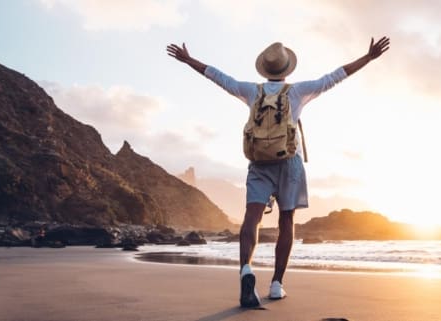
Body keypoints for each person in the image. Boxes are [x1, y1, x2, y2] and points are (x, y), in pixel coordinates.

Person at [166, 36, 390, 308]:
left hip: (259, 163)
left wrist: (189, 60)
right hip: (289, 162)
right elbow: (335, 77)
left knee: (252, 217)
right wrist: (368, 58)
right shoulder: (298, 92)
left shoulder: (252, 91)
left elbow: (219, 77)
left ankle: (246, 270)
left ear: (265, 69)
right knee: (286, 219)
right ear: (286, 69)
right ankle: (276, 284)